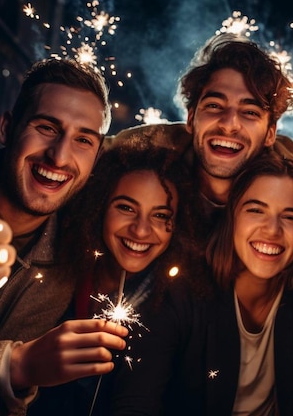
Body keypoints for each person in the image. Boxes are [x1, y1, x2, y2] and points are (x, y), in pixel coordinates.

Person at [0, 58, 129, 416]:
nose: (60, 155)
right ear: (7, 127)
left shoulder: (63, 258)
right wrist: (13, 366)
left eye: (83, 139)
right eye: (47, 127)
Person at [111, 151, 293, 415]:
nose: (272, 230)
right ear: (232, 217)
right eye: (256, 210)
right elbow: (134, 403)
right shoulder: (179, 295)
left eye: (290, 217)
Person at [27, 141, 204, 415]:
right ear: (99, 207)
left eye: (160, 215)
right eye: (126, 208)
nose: (141, 230)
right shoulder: (57, 273)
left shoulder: (172, 305)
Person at [108, 33, 293, 229]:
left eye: (250, 112)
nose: (228, 124)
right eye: (214, 106)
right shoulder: (137, 154)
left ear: (270, 134)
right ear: (191, 118)